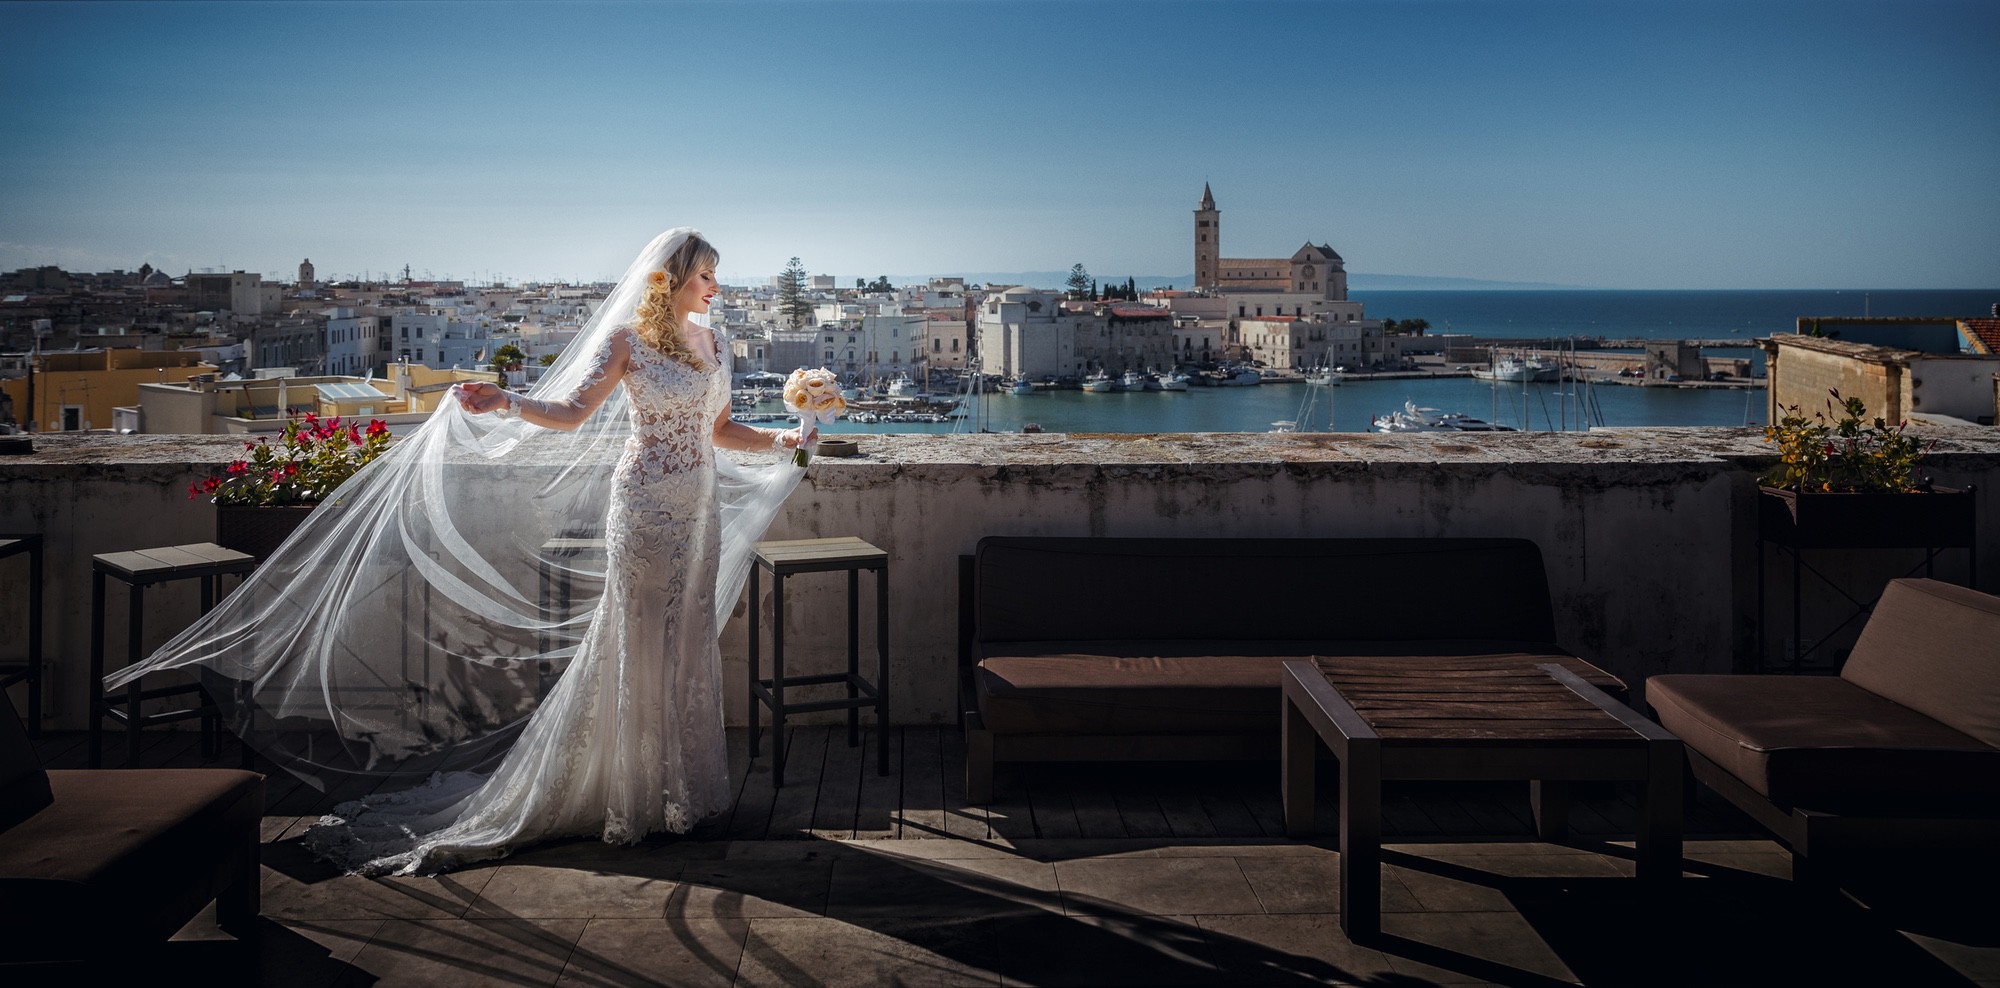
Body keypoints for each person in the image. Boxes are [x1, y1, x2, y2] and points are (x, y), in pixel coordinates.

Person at [107, 229, 809, 875]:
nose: (716, 286)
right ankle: (631, 796)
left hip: (698, 510)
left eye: (716, 276)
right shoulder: (628, 340)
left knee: (686, 642)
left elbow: (717, 428)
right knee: (635, 644)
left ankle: (677, 793)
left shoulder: (714, 345)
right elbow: (570, 414)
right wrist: (507, 401)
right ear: (673, 279)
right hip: (646, 508)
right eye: (706, 275)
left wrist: (784, 440)